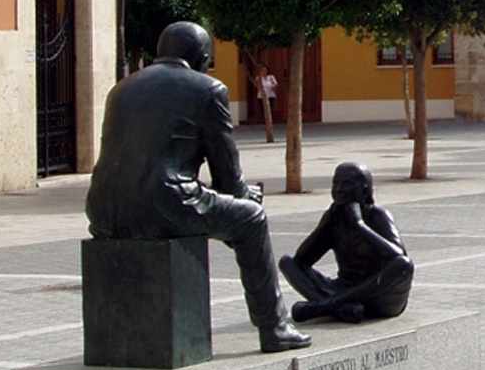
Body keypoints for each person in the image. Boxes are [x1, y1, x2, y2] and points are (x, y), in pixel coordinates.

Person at [86, 21, 311, 353]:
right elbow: (227, 179)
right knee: (250, 219)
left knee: (228, 209)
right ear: (203, 58)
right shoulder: (207, 90)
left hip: (103, 211)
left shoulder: (120, 89)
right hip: (163, 205)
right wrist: (247, 196)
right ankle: (274, 328)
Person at [281, 162, 414, 325]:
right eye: (335, 183)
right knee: (287, 262)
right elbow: (302, 260)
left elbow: (398, 258)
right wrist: (325, 225)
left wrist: (359, 225)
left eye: (346, 184)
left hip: (379, 296)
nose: (338, 190)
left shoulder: (377, 216)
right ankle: (340, 308)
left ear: (364, 190)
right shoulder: (335, 218)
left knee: (403, 264)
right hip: (345, 290)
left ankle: (326, 305)